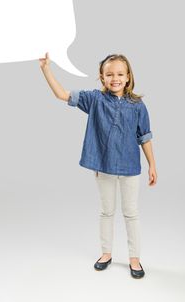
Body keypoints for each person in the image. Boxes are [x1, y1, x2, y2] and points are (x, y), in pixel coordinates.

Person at [39, 52, 157, 279]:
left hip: (130, 167)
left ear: (128, 76)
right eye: (110, 74)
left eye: (120, 74)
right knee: (106, 212)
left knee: (131, 213)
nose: (115, 78)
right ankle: (106, 253)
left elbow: (145, 137)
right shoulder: (95, 100)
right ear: (102, 77)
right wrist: (46, 69)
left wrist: (153, 165)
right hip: (103, 167)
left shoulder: (137, 105)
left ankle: (134, 258)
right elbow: (61, 94)